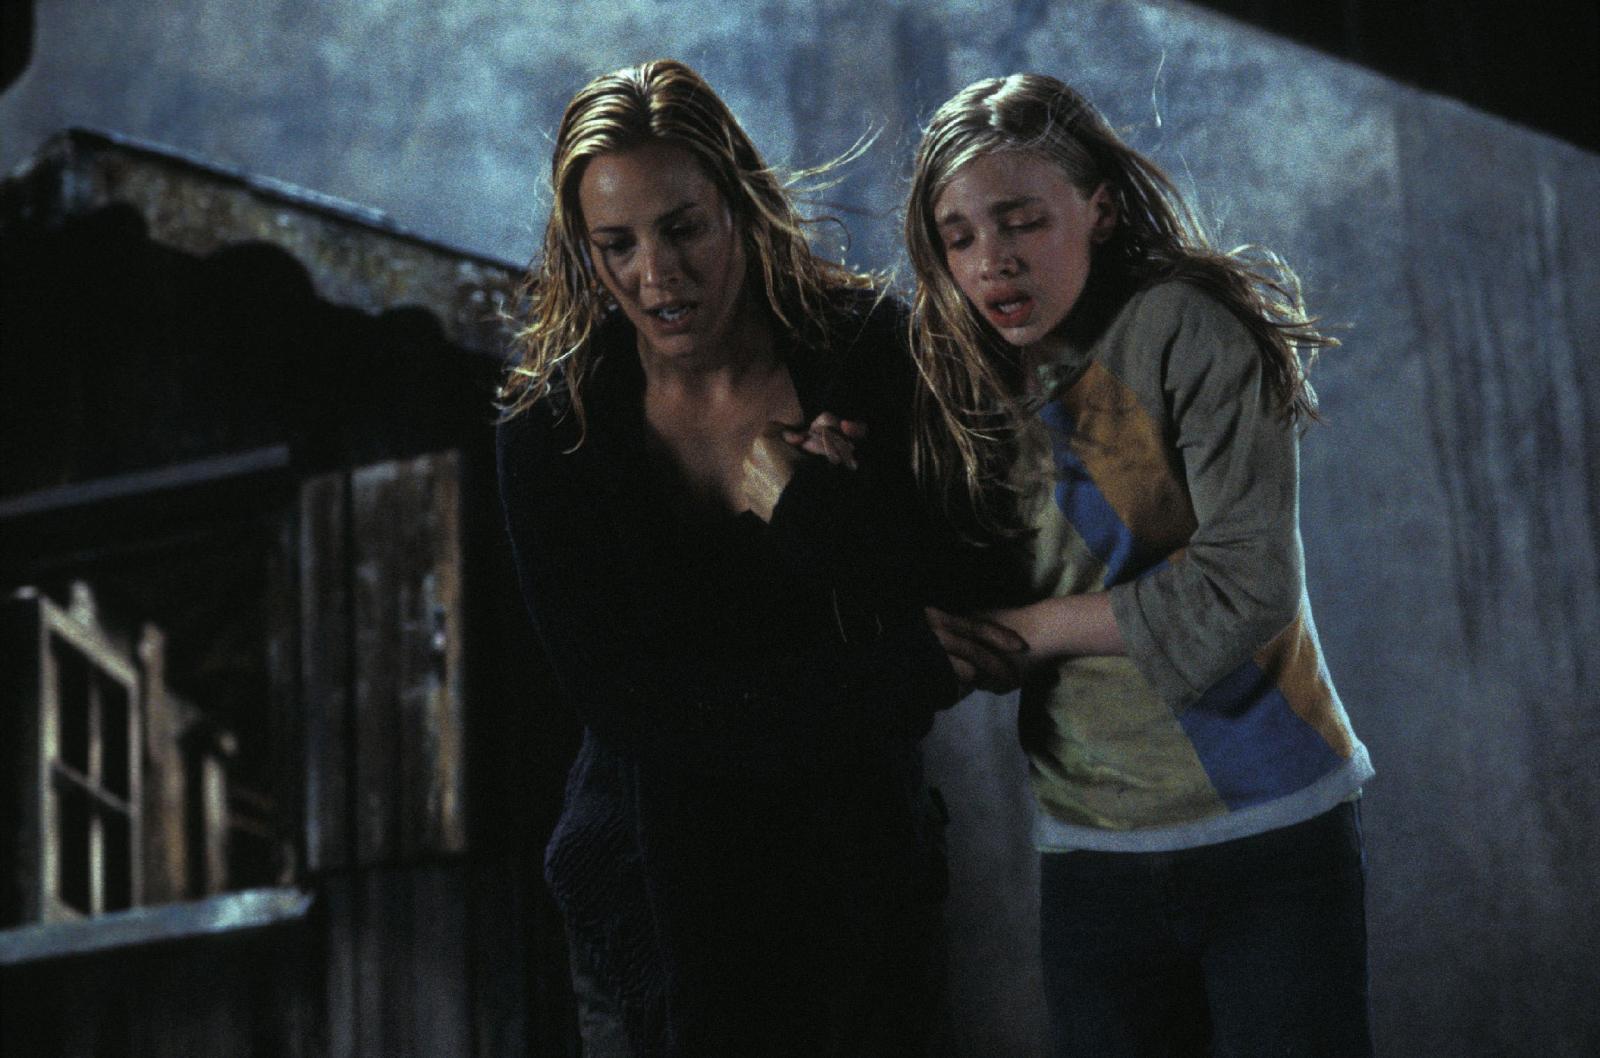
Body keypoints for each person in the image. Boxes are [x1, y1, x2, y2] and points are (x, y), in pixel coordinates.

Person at [496, 59, 1021, 1057]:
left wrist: (807, 506)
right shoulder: (552, 432)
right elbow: (629, 706)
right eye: (617, 245)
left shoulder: (866, 350)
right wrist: (876, 676)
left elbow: (967, 593)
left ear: (740, 204)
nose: (658, 275)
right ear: (583, 251)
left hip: (855, 866)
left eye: (683, 228)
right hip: (647, 888)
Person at [902, 73, 1377, 1057]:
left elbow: (1245, 583)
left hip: (1271, 827)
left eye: (1022, 220)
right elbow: (954, 609)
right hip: (1089, 843)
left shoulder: (1182, 328)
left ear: (1101, 209)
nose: (993, 259)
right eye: (960, 237)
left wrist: (1031, 631)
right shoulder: (957, 384)